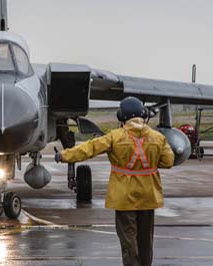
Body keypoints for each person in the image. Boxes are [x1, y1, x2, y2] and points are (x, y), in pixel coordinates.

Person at [55, 96, 174, 266]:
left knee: (128, 240)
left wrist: (63, 155)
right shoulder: (158, 138)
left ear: (122, 116)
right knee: (146, 242)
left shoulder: (115, 137)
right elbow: (168, 161)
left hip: (124, 198)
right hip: (149, 197)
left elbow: (89, 148)